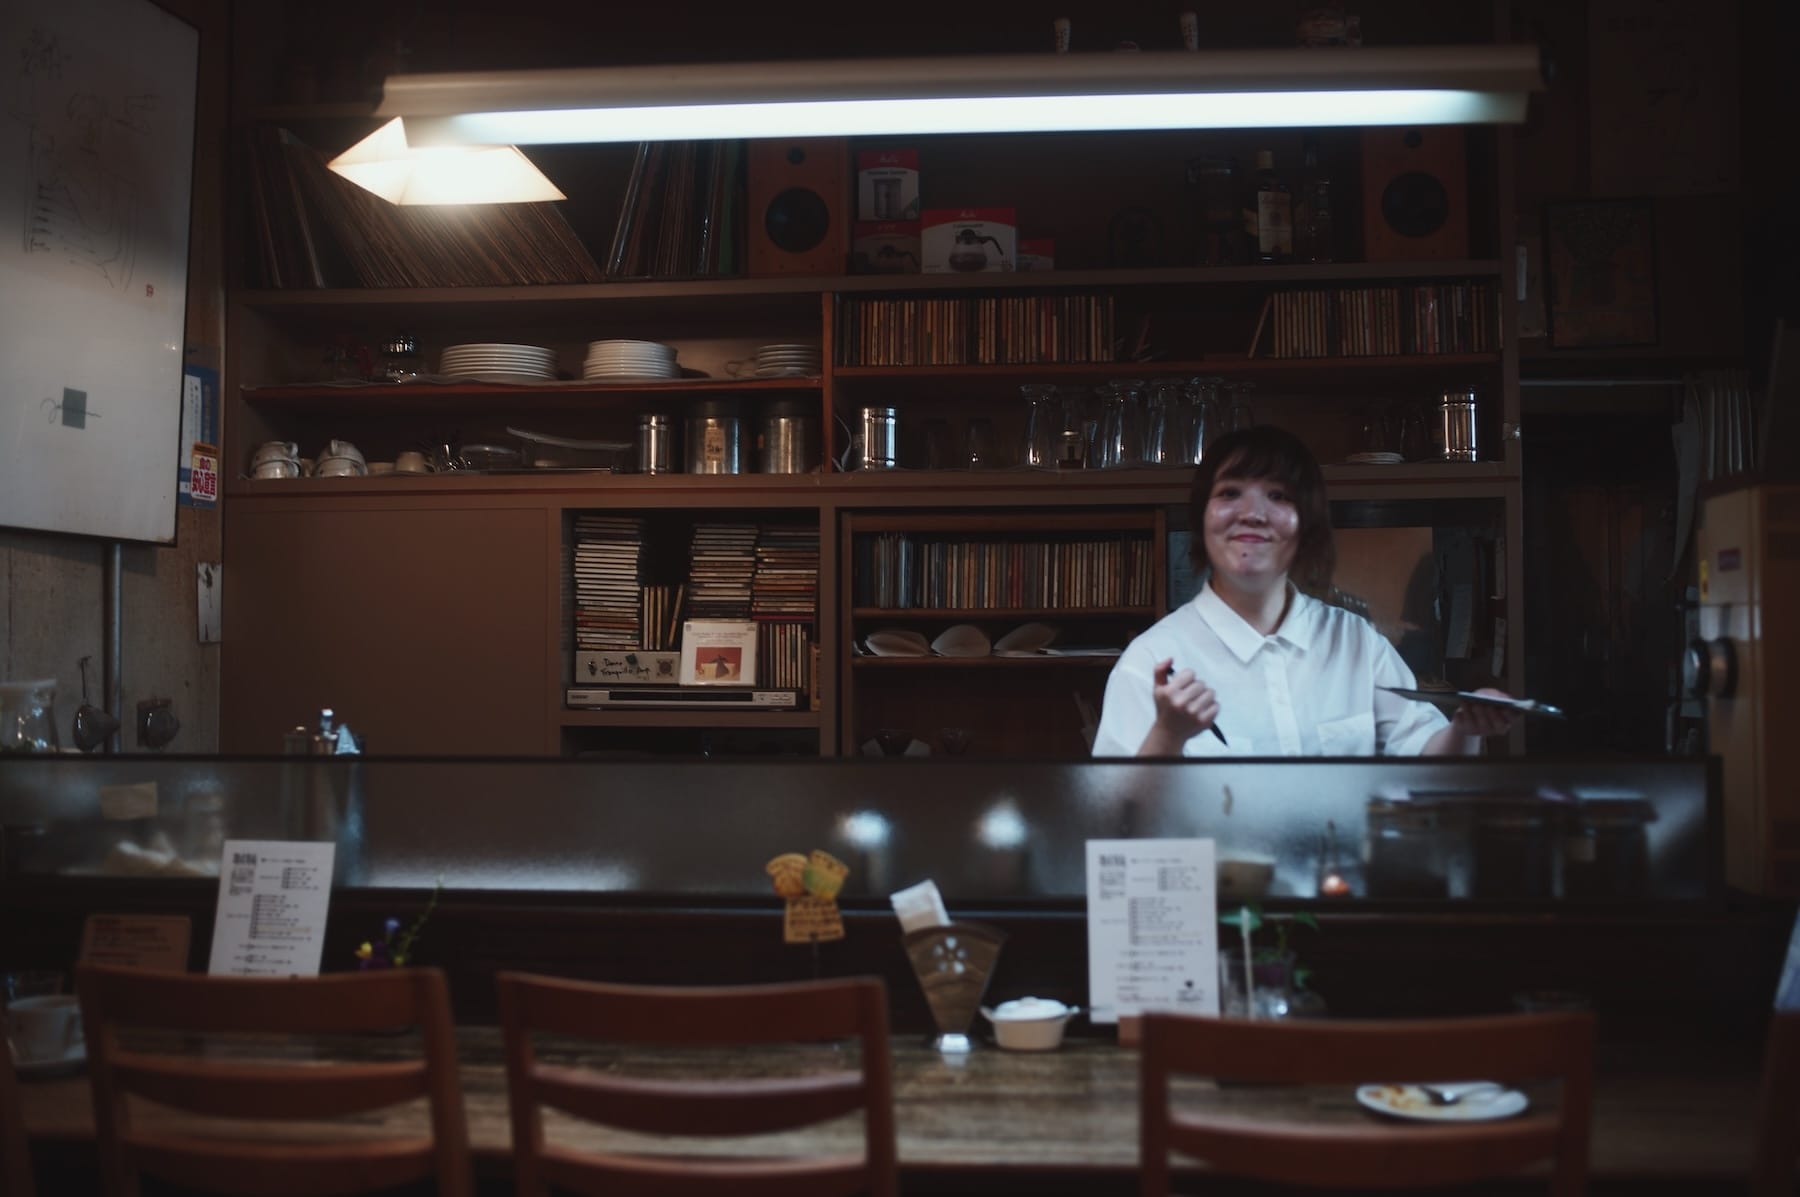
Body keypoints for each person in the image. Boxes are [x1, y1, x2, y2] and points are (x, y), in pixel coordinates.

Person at [1091, 425, 1514, 757]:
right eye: (1230, 493)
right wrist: (1168, 735)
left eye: (1277, 495)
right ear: (1202, 518)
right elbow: (1117, 817)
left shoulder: (1358, 643)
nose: (1252, 513)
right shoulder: (1148, 661)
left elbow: (1425, 757)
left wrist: (1465, 729)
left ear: (1306, 524)